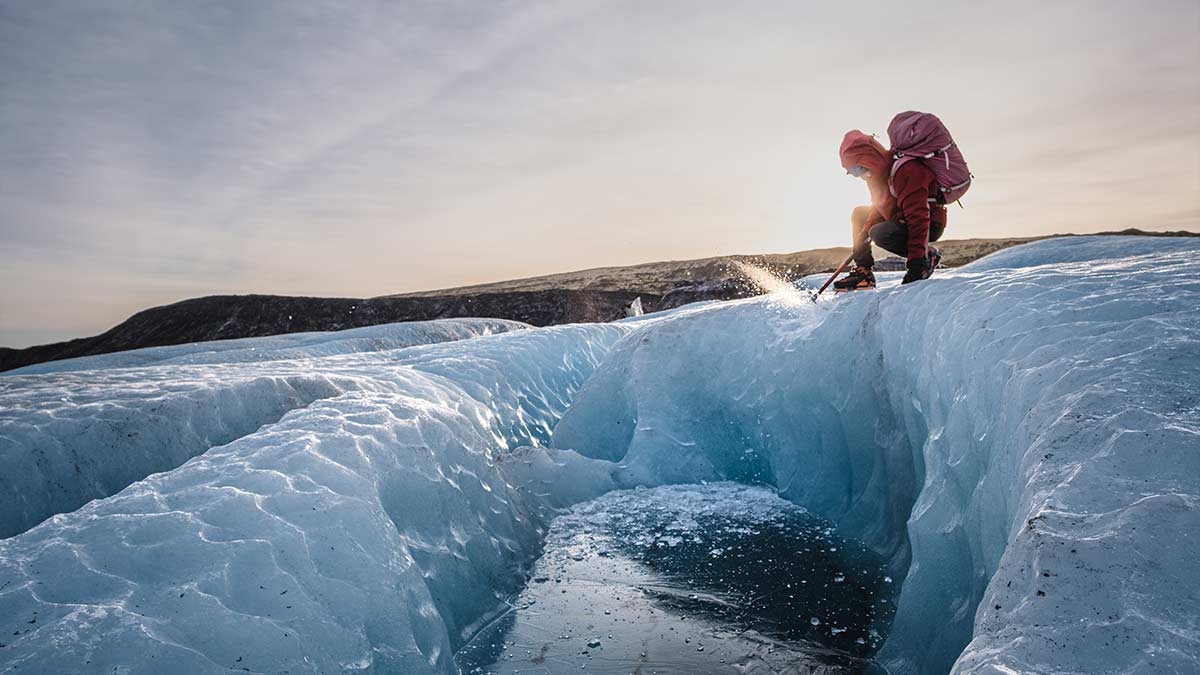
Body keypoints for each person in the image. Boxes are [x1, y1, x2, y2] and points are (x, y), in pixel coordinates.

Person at [833, 130, 945, 291]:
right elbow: (878, 209)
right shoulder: (876, 176)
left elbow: (919, 217)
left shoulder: (907, 170)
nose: (858, 176)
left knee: (879, 233)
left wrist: (916, 262)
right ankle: (863, 272)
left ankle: (927, 256)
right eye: (852, 172)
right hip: (901, 218)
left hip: (929, 223)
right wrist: (861, 242)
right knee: (860, 214)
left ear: (868, 160)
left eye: (857, 170)